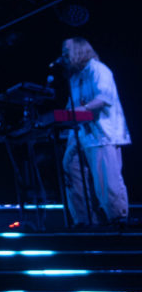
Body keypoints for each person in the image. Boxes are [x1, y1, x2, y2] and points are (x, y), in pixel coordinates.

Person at [59, 37, 131, 227]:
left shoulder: (99, 70)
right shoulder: (75, 78)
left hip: (101, 133)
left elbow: (103, 99)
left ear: (79, 50)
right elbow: (70, 107)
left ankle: (118, 218)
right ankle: (84, 220)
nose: (63, 56)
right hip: (80, 134)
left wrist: (77, 111)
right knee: (71, 169)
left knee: (106, 179)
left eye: (66, 51)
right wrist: (60, 119)